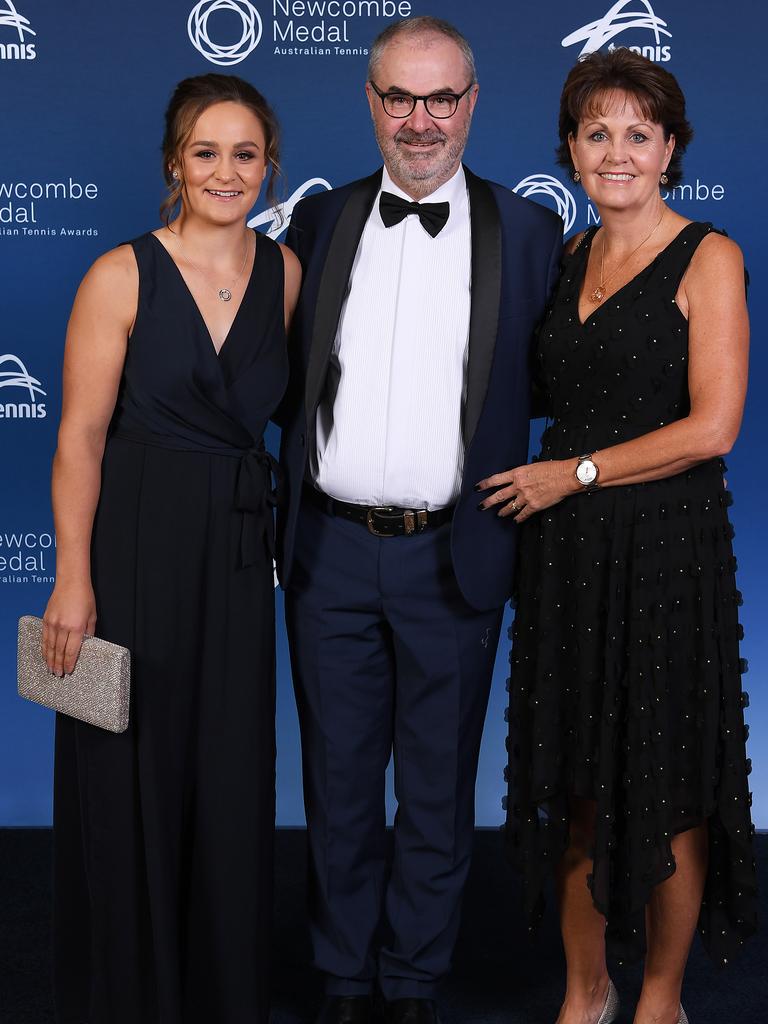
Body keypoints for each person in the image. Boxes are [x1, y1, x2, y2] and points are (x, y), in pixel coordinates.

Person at [279, 16, 562, 1024]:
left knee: (437, 793)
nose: (421, 119)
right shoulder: (319, 225)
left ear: (473, 102)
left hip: (457, 550)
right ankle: (346, 978)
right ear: (370, 102)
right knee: (341, 784)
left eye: (441, 97)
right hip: (329, 551)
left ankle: (410, 984)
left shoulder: (531, 233)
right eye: (400, 96)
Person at [477, 49, 757, 1024]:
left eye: (639, 133)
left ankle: (661, 1000)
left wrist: (577, 471)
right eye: (598, 133)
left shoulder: (709, 256)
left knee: (671, 780)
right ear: (570, 149)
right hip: (568, 560)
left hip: (669, 552)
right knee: (577, 777)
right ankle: (585, 991)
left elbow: (714, 427)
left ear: (670, 148)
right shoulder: (562, 259)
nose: (618, 151)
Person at [43, 74, 300, 1024]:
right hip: (133, 549)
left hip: (237, 552)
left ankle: (221, 992)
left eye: (244, 153)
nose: (226, 171)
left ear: (268, 164)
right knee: (129, 764)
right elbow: (77, 437)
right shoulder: (120, 273)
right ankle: (128, 993)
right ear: (173, 164)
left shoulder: (287, 271)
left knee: (227, 772)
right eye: (206, 152)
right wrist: (74, 579)